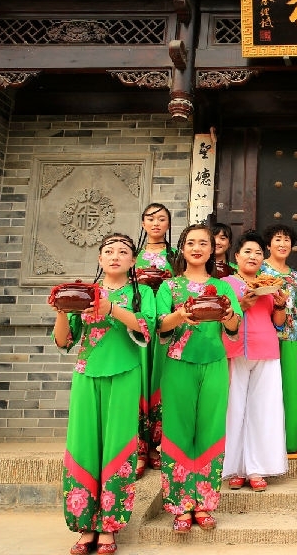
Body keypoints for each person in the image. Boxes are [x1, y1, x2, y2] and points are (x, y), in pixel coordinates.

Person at [51, 233, 156, 555]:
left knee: (117, 447)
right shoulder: (83, 293)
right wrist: (60, 311)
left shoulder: (141, 294)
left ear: (133, 261)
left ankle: (108, 526)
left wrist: (110, 307)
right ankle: (85, 525)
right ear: (100, 259)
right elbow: (64, 341)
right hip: (87, 374)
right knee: (83, 445)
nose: (115, 256)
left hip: (124, 374)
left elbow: (146, 327)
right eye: (108, 251)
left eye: (123, 252)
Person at [156, 224, 242, 533]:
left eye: (203, 243)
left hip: (214, 362)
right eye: (190, 243)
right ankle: (180, 505)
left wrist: (229, 315)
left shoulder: (223, 287)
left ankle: (204, 503)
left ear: (212, 249)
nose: (197, 248)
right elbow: (160, 326)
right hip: (178, 364)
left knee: (211, 430)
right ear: (182, 248)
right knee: (178, 431)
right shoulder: (169, 287)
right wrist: (180, 315)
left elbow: (234, 327)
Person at [222, 230, 289, 491]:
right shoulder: (225, 284)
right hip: (235, 349)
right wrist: (242, 304)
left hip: (266, 348)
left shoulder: (270, 283)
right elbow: (221, 318)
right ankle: (235, 468)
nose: (253, 256)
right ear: (236, 256)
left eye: (258, 253)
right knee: (234, 409)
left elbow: (278, 323)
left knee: (264, 409)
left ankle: (257, 468)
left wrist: (280, 305)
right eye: (247, 252)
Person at [261, 224, 297, 453]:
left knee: (289, 388)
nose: (282, 244)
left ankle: (290, 442)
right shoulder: (260, 270)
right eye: (278, 239)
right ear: (268, 245)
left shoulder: (295, 275)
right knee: (266, 389)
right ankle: (267, 443)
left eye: (287, 240)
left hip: (290, 336)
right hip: (266, 336)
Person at [134, 203, 175, 475]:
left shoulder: (176, 255)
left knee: (160, 380)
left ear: (168, 224)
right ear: (143, 223)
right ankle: (138, 447)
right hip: (138, 326)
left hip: (165, 326)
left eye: (162, 219)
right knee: (139, 381)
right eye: (151, 218)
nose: (156, 223)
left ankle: (157, 446)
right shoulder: (131, 254)